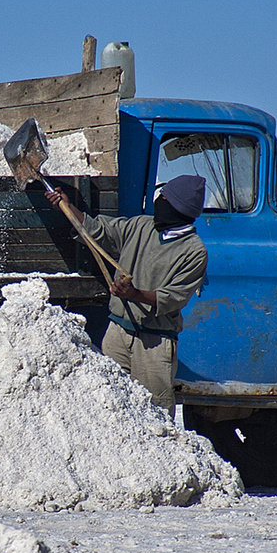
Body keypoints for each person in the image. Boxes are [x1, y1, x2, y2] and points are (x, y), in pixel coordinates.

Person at [46, 174, 208, 412]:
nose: (158, 202)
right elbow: (99, 230)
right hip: (117, 333)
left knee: (155, 414)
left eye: (163, 198)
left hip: (153, 343)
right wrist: (68, 207)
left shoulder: (194, 252)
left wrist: (135, 294)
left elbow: (173, 298)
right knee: (108, 406)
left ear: (177, 208)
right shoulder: (142, 225)